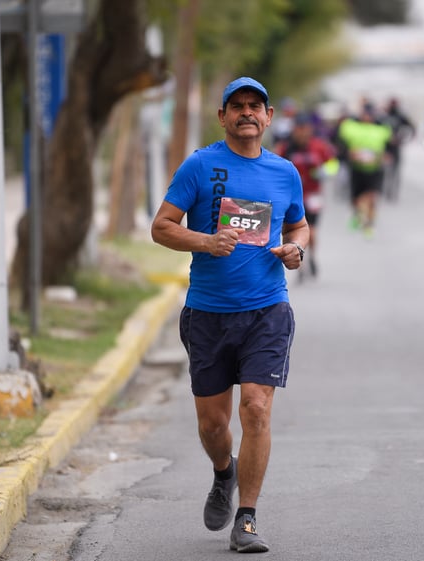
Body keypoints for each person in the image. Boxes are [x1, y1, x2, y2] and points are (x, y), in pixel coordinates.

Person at [150, 76, 309, 553]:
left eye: (254, 106)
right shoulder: (200, 166)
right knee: (213, 426)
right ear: (222, 116)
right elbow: (161, 227)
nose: (246, 113)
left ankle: (248, 518)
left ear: (268, 116)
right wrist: (205, 241)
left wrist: (296, 249)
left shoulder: (285, 173)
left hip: (266, 311)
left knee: (256, 410)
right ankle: (224, 472)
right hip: (208, 314)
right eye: (236, 106)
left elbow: (299, 224)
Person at [274, 112, 336, 280]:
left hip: (313, 194)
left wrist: (324, 172)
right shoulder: (285, 148)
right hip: (292, 198)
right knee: (293, 231)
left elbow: (333, 164)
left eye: (305, 129)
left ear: (310, 129)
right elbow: (274, 168)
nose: (302, 132)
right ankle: (300, 266)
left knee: (312, 230)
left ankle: (313, 257)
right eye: (299, 129)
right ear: (294, 129)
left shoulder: (319, 146)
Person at [336, 102, 392, 238]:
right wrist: (348, 155)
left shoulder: (382, 129)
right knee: (357, 199)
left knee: (372, 198)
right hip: (357, 169)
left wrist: (385, 156)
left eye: (370, 115)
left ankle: (369, 225)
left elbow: (390, 148)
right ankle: (358, 214)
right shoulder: (350, 127)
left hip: (375, 169)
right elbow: (339, 145)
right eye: (365, 114)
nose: (367, 117)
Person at [380, 97, 416, 201]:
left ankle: (392, 190)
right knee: (385, 169)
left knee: (395, 171)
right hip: (385, 147)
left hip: (396, 147)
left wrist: (404, 138)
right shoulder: (384, 117)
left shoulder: (400, 116)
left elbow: (411, 127)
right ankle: (385, 188)